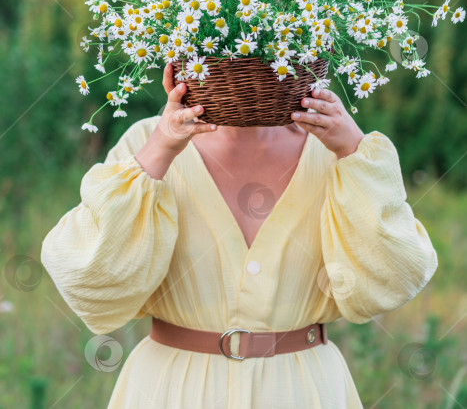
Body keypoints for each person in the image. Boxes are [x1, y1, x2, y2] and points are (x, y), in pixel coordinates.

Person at [41, 63, 438, 408]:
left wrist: (353, 151)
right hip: (173, 392)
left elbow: (396, 275)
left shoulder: (338, 150)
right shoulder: (146, 141)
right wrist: (159, 152)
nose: (247, 55)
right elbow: (89, 280)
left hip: (302, 392)